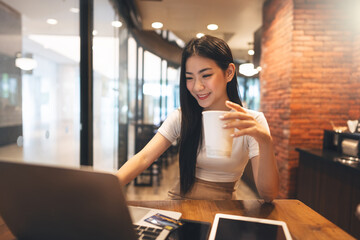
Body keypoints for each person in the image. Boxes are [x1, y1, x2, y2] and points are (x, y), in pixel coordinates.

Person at [116, 35, 279, 202]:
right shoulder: (182, 116)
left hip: (225, 210)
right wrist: (108, 187)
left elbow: (268, 195)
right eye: (189, 78)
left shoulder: (252, 121)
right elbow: (143, 158)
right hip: (181, 206)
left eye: (206, 75)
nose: (197, 87)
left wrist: (265, 141)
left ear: (229, 73)